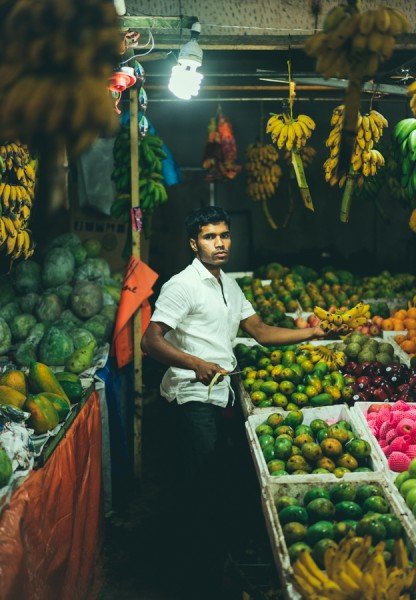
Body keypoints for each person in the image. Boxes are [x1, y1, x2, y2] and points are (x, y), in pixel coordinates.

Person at [141, 206, 325, 597]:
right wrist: (195, 363)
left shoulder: (228, 284)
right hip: (192, 396)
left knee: (215, 482)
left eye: (224, 235)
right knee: (201, 485)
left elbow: (259, 331)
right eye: (210, 237)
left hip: (220, 394)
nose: (220, 243)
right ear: (194, 244)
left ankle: (213, 561)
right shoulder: (182, 285)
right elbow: (150, 340)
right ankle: (195, 576)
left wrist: (310, 333)